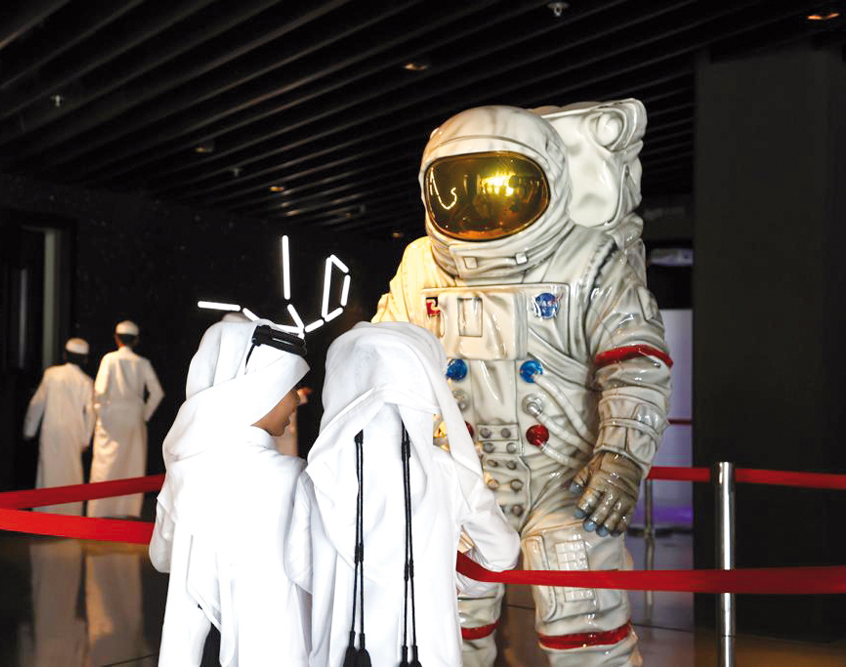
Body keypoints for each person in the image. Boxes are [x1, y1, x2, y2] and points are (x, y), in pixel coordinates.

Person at [373, 105, 672, 666]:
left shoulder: (589, 260)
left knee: (582, 619)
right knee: (443, 628)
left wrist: (619, 457)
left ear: (549, 178)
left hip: (567, 476)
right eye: (459, 189)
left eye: (505, 187)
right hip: (459, 478)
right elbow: (384, 366)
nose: (482, 206)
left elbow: (636, 361)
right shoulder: (423, 266)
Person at [285, 322, 521, 667]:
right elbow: (502, 553)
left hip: (338, 655)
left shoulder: (317, 475)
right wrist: (450, 581)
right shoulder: (448, 473)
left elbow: (300, 567)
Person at [149, 320, 310, 666]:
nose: (296, 399)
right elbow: (310, 570)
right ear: (259, 390)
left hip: (197, 649)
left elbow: (161, 556)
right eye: (289, 388)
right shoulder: (293, 478)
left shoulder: (188, 466)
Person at [87, 320, 164, 518]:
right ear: (136, 340)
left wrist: (100, 411)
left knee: (105, 464)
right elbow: (157, 393)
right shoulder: (142, 362)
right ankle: (127, 511)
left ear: (116, 338)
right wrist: (143, 415)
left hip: (111, 415)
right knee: (132, 465)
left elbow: (100, 390)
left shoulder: (109, 359)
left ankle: (100, 511)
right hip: (134, 419)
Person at [23, 337, 95, 515]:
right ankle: (69, 514)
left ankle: (46, 514)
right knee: (71, 472)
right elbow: (91, 412)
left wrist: (29, 430)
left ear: (65, 355)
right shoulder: (86, 381)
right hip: (74, 432)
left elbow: (36, 404)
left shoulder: (51, 374)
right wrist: (86, 438)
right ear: (85, 359)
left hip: (51, 430)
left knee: (48, 471)